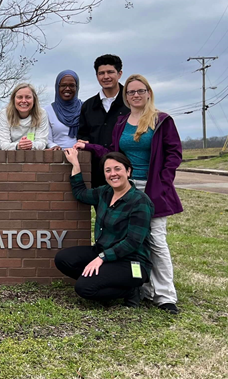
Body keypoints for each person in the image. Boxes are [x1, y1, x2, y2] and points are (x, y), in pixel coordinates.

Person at [76, 74, 183, 314]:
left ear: (148, 93)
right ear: (126, 96)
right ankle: (141, 287)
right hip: (125, 187)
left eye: (140, 91)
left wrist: (162, 183)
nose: (135, 95)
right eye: (131, 92)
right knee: (131, 240)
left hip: (153, 188)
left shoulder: (161, 120)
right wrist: (89, 146)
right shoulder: (122, 123)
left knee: (155, 240)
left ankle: (165, 295)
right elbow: (113, 153)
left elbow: (174, 155)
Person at [55, 148, 153, 308]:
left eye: (117, 169)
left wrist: (102, 258)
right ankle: (102, 279)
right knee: (64, 259)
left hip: (131, 262)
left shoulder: (140, 202)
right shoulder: (105, 193)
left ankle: (130, 291)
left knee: (84, 288)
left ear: (128, 171)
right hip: (104, 252)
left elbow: (133, 242)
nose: (113, 174)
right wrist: (75, 165)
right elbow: (81, 194)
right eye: (108, 170)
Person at [78, 54, 129, 186]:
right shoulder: (88, 106)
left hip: (127, 172)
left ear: (119, 74)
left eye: (110, 72)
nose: (106, 76)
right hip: (98, 172)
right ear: (97, 76)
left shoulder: (130, 102)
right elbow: (82, 136)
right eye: (101, 73)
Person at [0, 82, 49, 151]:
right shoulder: (4, 114)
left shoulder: (41, 114)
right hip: (9, 158)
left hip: (34, 157)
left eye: (28, 97)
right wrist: (18, 146)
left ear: (34, 99)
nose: (24, 101)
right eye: (19, 97)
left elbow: (42, 142)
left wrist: (30, 145)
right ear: (13, 99)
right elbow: (2, 143)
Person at [46, 70, 81, 150]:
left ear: (77, 87)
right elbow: (47, 139)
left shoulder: (85, 108)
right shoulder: (47, 111)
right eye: (63, 85)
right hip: (57, 156)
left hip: (82, 155)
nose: (67, 89)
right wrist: (53, 146)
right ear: (57, 87)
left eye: (72, 85)